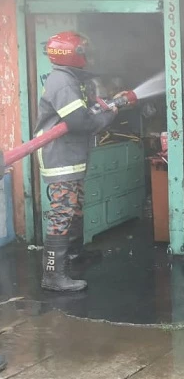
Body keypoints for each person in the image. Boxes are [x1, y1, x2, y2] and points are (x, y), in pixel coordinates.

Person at [35, 31, 117, 292]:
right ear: (72, 54)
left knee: (75, 207)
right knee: (63, 211)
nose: (88, 54)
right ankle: (52, 275)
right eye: (84, 50)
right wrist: (107, 118)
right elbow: (79, 122)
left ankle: (73, 255)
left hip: (71, 154)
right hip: (60, 156)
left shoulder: (70, 78)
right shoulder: (62, 82)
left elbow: (81, 114)